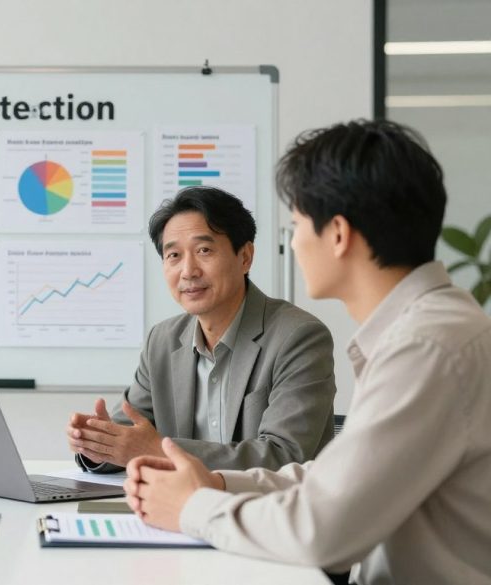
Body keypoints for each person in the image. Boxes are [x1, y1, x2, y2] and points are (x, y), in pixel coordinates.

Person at [124, 120, 491, 584]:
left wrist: (193, 508)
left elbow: (324, 530)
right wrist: (216, 483)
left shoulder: (426, 347)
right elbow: (335, 479)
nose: (294, 242)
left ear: (337, 234)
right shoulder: (426, 330)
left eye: (297, 225)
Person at [67, 186, 336, 473]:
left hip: (266, 501)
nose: (188, 271)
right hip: (178, 499)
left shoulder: (298, 336)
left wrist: (160, 450)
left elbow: (283, 455)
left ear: (245, 257)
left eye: (204, 250)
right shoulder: (162, 340)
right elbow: (131, 436)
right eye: (174, 255)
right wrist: (97, 445)